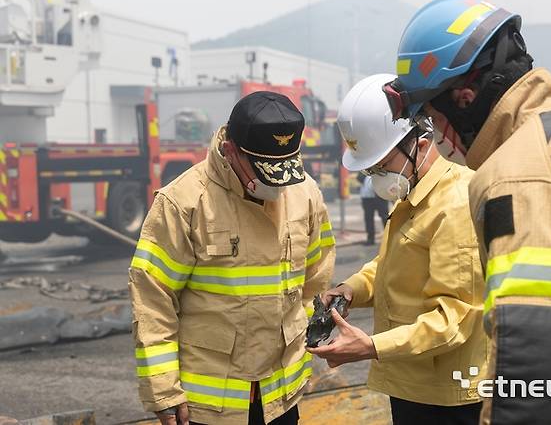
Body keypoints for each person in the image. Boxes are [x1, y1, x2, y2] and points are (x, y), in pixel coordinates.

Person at [384, 0, 551, 423]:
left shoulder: (521, 177)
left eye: (432, 118)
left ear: (464, 97)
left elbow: (544, 373)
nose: (437, 136)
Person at [129, 91, 336, 425]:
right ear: (230, 151)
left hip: (281, 396)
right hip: (209, 406)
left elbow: (316, 276)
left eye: (285, 170)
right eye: (266, 172)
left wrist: (304, 335)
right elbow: (153, 302)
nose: (277, 186)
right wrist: (163, 390)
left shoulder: (305, 192)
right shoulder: (184, 202)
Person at [308, 74, 487, 425]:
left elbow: (456, 317)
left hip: (449, 397)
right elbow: (389, 264)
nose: (376, 176)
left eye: (381, 164)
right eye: (370, 169)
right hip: (413, 384)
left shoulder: (453, 205)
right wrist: (351, 290)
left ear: (420, 142)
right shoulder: (413, 192)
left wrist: (371, 346)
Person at [357, 172, 389, 245]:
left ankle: (389, 238)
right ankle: (370, 239)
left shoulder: (379, 165)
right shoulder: (363, 168)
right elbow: (359, 178)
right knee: (368, 218)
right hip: (367, 197)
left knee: (385, 217)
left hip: (380, 196)